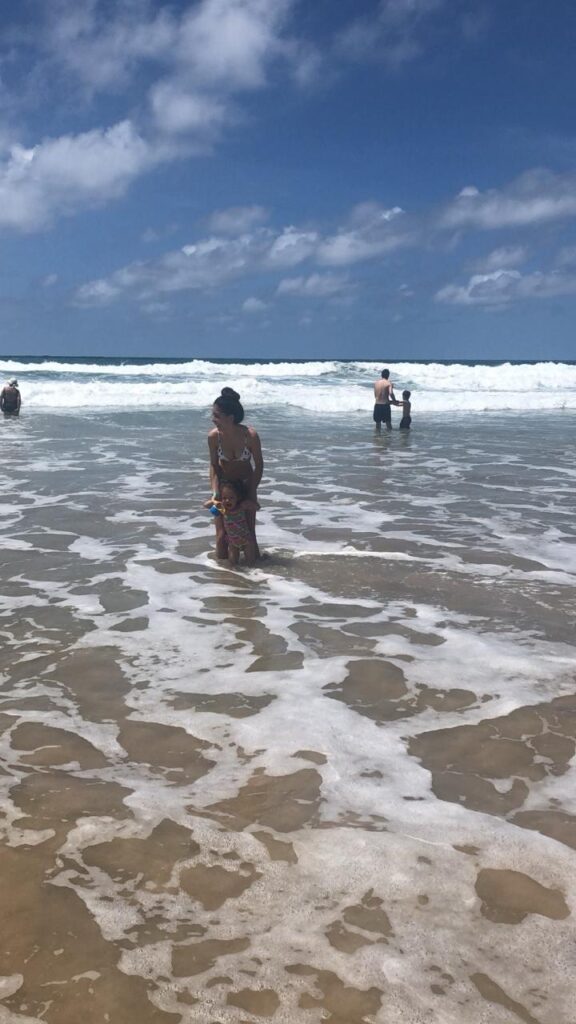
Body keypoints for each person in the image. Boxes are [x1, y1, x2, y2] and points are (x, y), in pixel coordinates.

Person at [206, 387, 263, 560]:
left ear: (230, 418)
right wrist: (215, 492)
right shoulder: (213, 437)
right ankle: (224, 576)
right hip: (224, 489)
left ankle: (256, 576)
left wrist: (251, 491)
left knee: (249, 535)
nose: (213, 419)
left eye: (217, 415)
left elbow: (259, 465)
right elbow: (214, 466)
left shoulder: (250, 436)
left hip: (245, 486)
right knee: (221, 536)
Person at [213, 479, 258, 567]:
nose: (227, 501)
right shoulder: (223, 510)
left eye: (231, 498)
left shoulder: (241, 507)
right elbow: (206, 505)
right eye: (224, 498)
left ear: (238, 498)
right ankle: (234, 578)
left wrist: (247, 503)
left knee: (251, 565)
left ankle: (253, 577)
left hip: (247, 540)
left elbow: (257, 507)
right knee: (232, 565)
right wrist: (215, 500)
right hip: (233, 543)